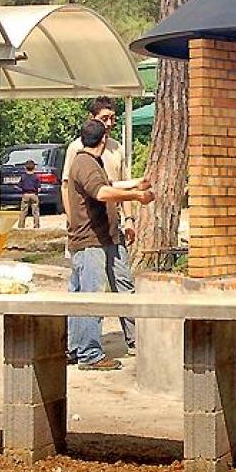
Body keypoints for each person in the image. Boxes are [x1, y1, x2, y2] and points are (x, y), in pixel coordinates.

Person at [63, 119, 154, 371]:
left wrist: (136, 183)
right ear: (103, 140)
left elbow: (108, 185)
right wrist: (136, 196)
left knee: (83, 294)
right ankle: (89, 354)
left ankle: (75, 348)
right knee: (91, 297)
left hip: (105, 239)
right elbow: (101, 193)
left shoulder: (88, 162)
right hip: (90, 242)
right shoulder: (85, 163)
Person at [18, 159, 41, 228]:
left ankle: (21, 225)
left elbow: (19, 186)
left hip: (25, 194)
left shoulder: (23, 177)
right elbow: (39, 188)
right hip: (34, 194)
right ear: (34, 168)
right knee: (35, 211)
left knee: (23, 211)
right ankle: (36, 225)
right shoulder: (36, 177)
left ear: (25, 167)